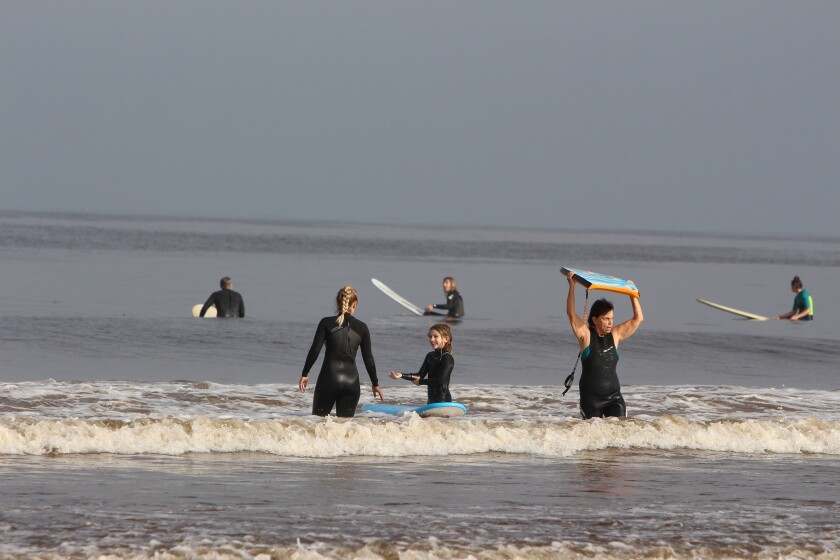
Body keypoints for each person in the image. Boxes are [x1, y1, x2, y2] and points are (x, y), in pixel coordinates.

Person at [564, 272, 643, 419]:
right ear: (594, 319)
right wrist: (572, 286)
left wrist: (632, 293)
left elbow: (638, 318)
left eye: (612, 318)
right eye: (606, 319)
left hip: (614, 398)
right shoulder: (586, 336)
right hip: (591, 400)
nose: (610, 322)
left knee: (620, 433)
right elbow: (571, 314)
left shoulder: (615, 335)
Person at [299, 285, 384, 417]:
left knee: (317, 424)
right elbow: (368, 359)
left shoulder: (326, 323)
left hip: (329, 380)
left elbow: (315, 350)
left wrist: (305, 373)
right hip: (351, 383)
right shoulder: (362, 328)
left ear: (338, 303)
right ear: (355, 304)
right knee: (345, 428)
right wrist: (375, 383)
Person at [388, 323, 454, 404]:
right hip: (431, 402)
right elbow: (419, 375)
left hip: (444, 402)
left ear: (446, 339)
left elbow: (441, 381)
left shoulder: (447, 358)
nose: (432, 339)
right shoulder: (430, 355)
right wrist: (401, 375)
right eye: (430, 336)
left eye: (435, 336)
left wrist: (420, 382)